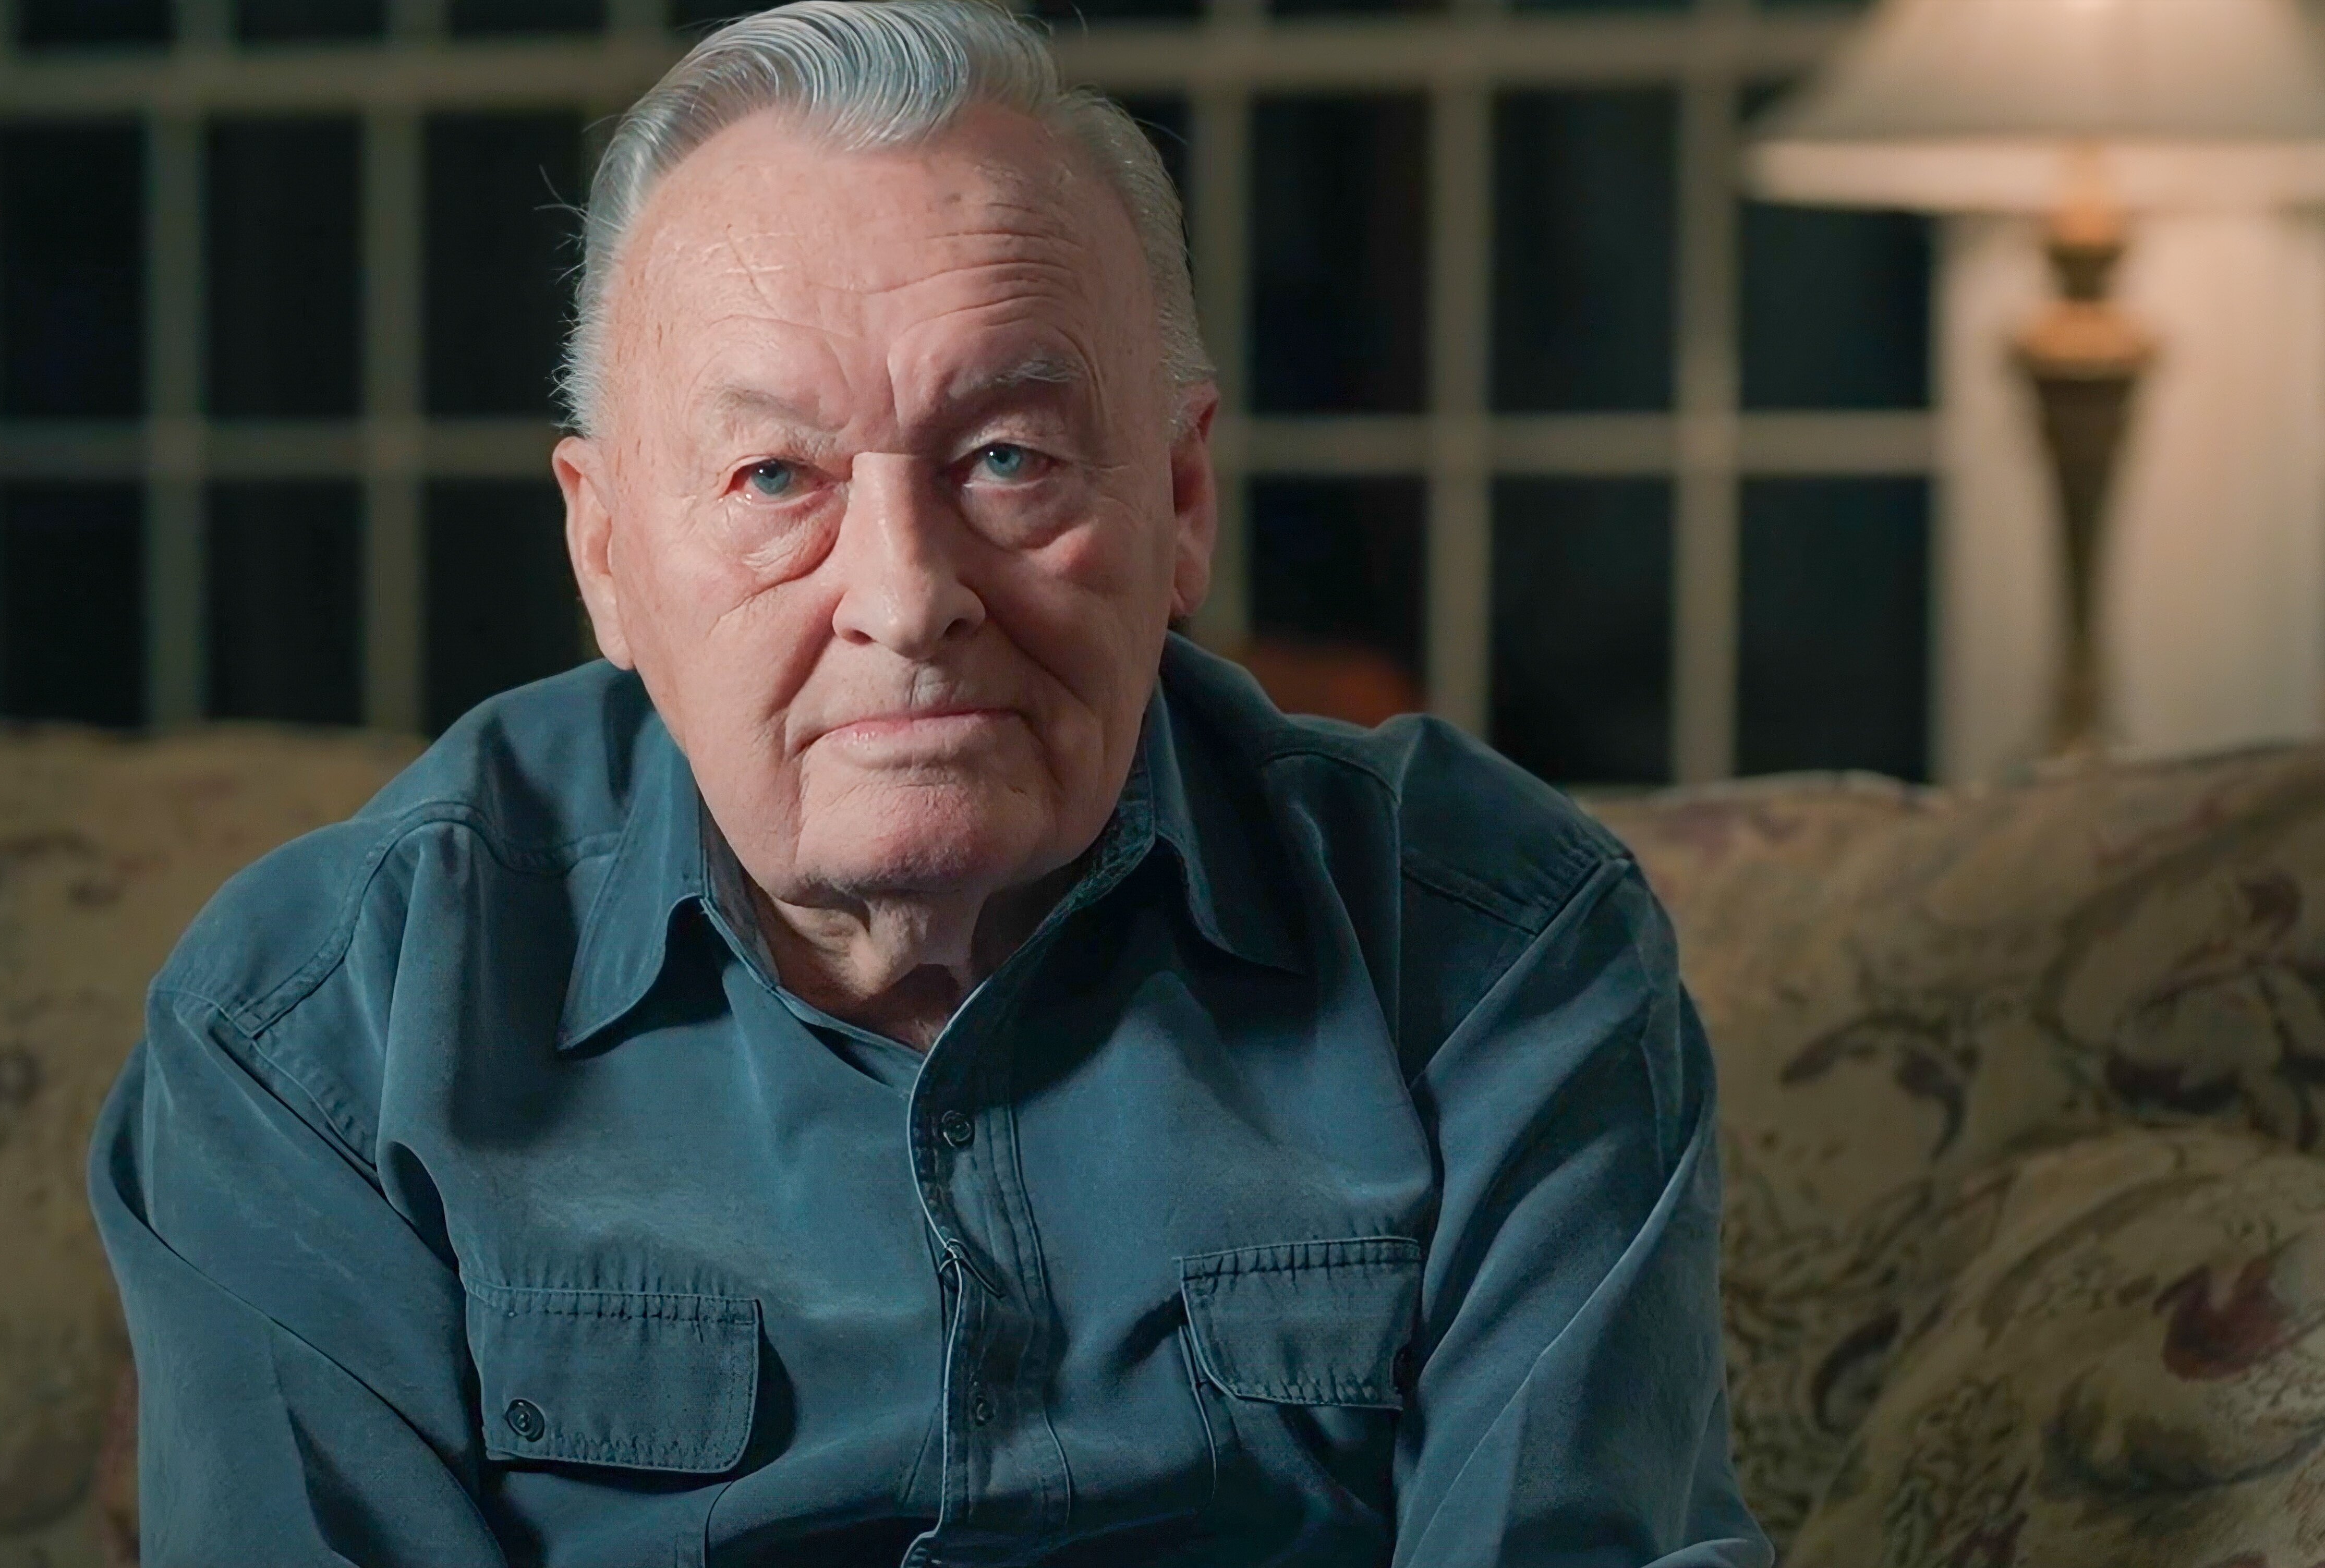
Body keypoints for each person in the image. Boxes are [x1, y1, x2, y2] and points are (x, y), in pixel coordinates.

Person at [86, 3, 1772, 1563]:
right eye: (774, 477)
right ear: (605, 554)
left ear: (1181, 503)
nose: (905, 596)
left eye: (1007, 458)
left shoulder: (1490, 952)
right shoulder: (321, 1031)